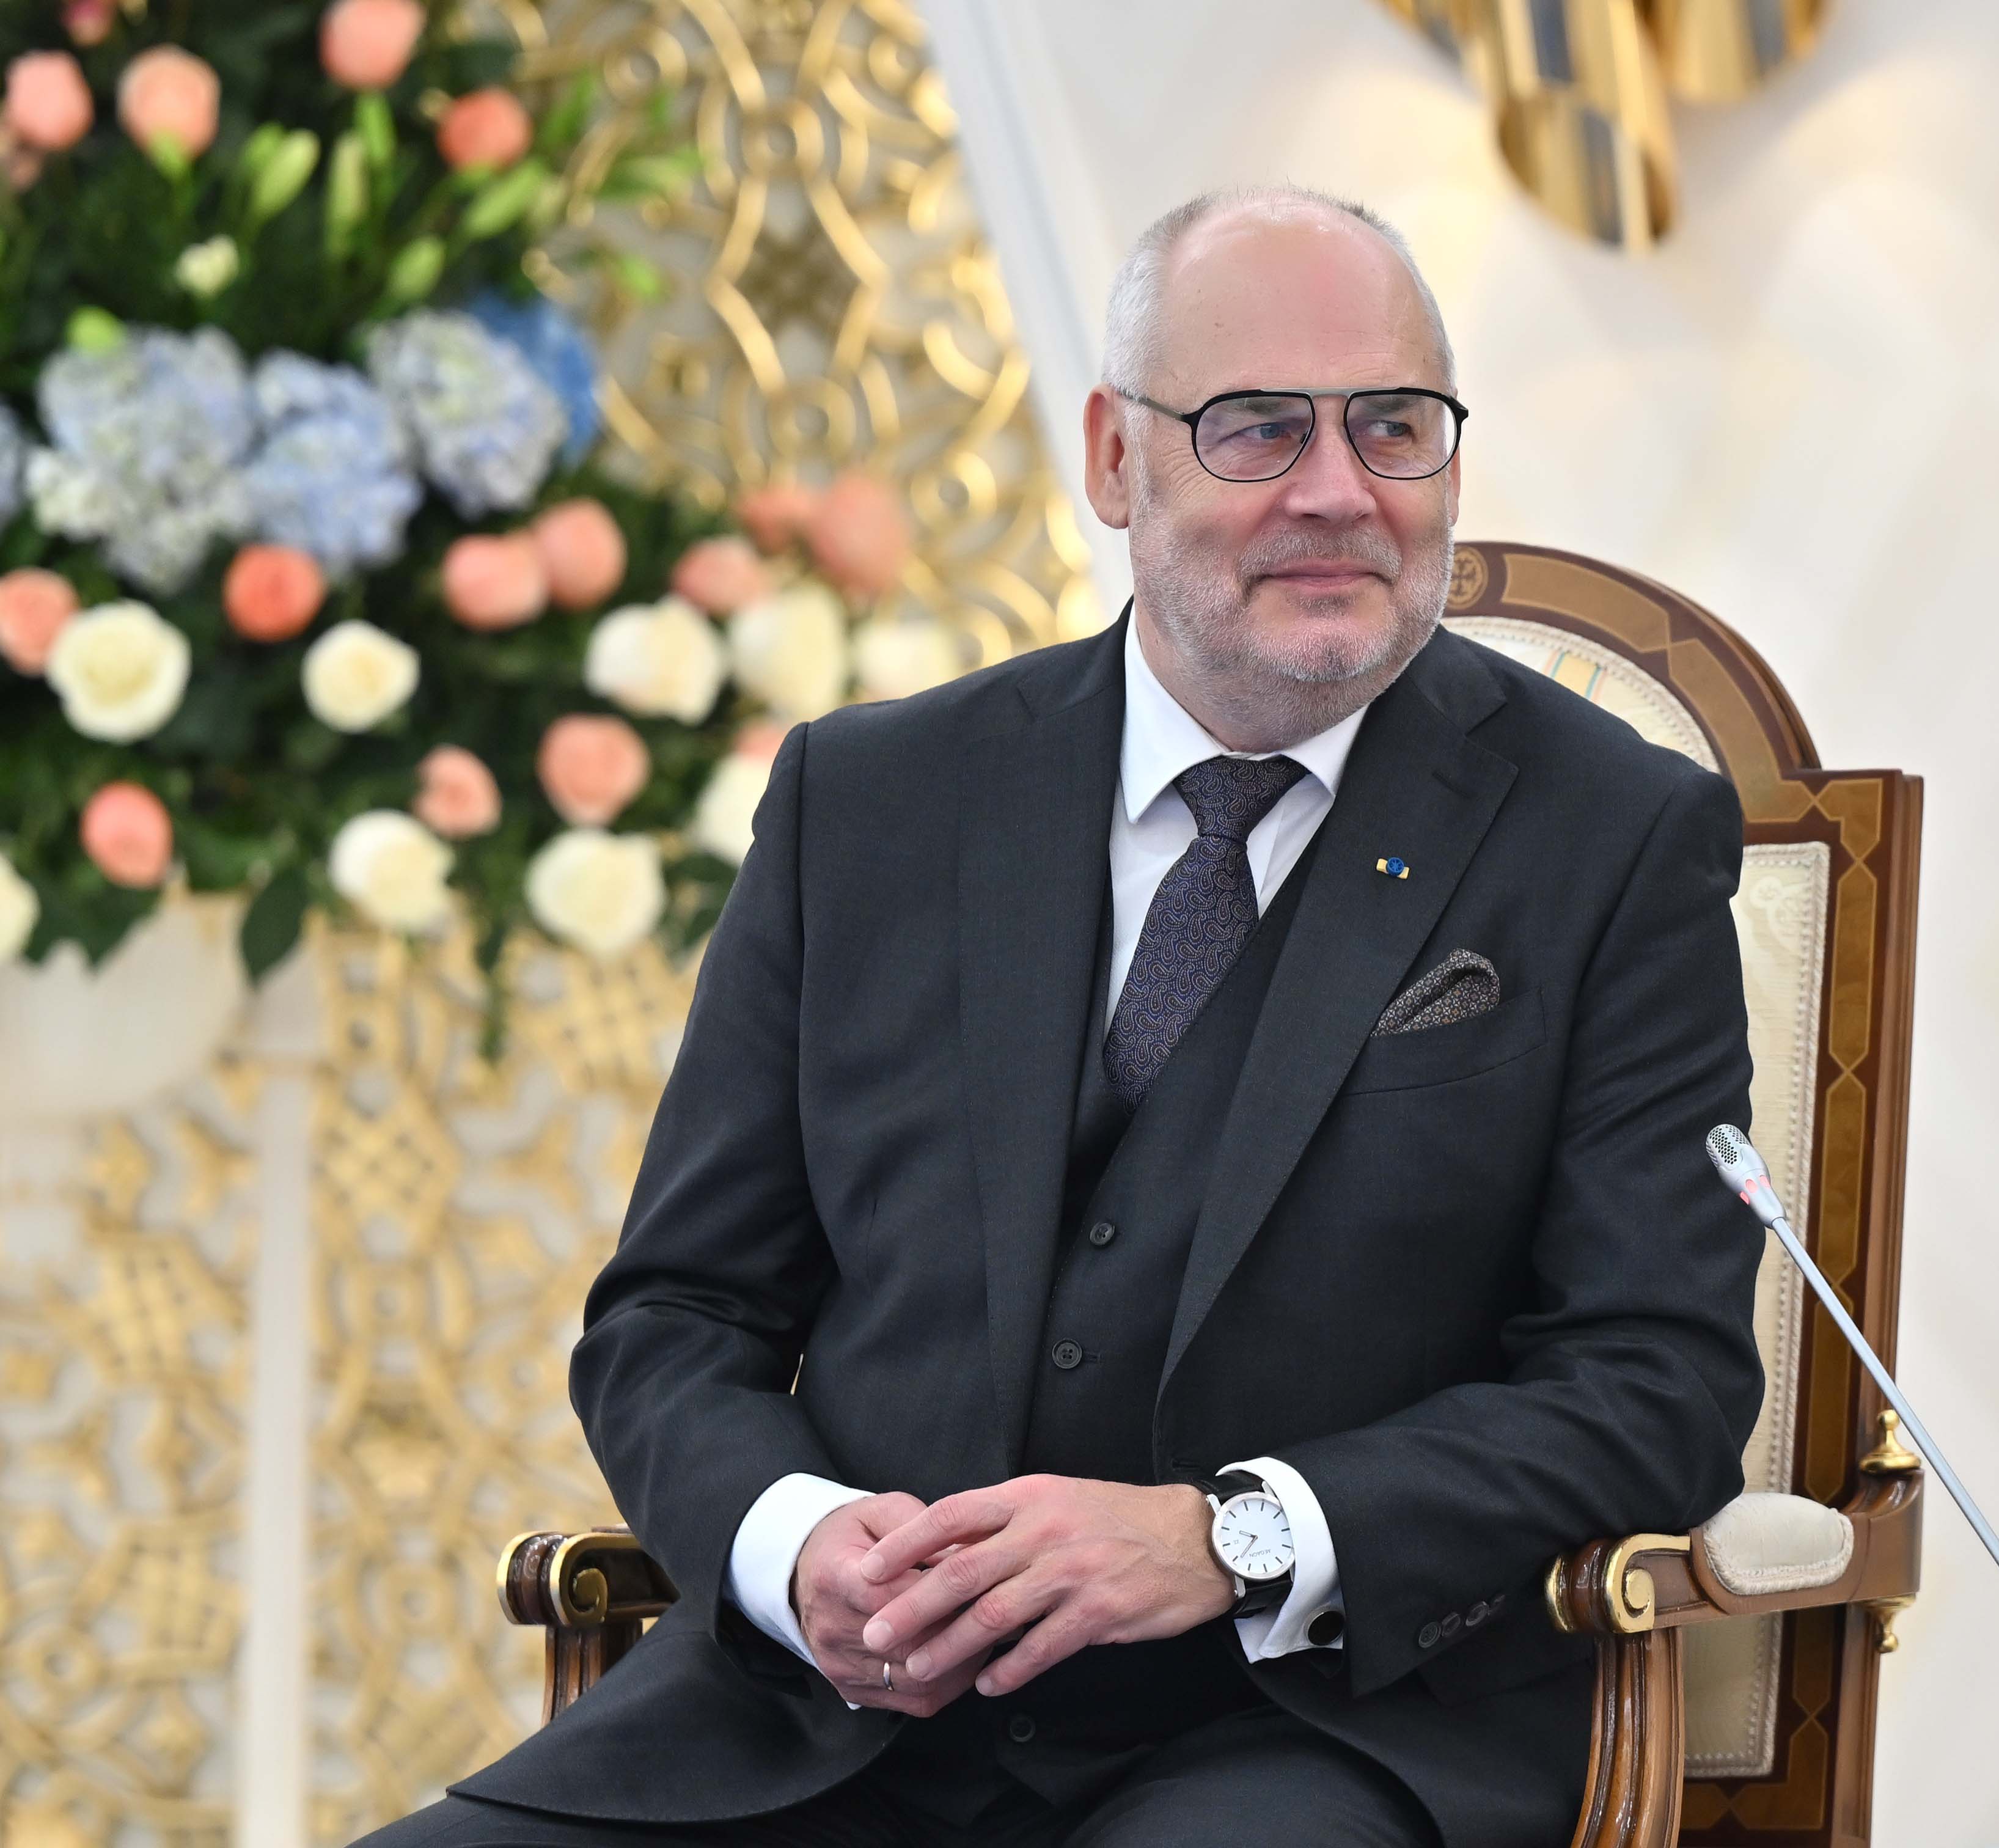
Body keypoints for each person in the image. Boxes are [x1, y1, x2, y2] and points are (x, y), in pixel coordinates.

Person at [367, 185, 1762, 1848]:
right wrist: (796, 1546)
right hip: (824, 1734)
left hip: (1317, 1732)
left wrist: (1233, 1537)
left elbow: (1657, 1382)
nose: (1338, 489)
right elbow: (676, 1313)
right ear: (1113, 458)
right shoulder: (864, 801)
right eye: (1257, 427)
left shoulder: (1615, 837)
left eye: (1394, 426)